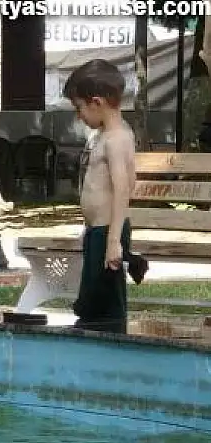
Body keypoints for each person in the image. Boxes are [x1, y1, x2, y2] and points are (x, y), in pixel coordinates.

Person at [62, 59, 149, 334]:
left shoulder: (116, 139)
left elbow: (123, 188)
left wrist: (113, 241)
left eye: (79, 108)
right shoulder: (103, 135)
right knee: (94, 287)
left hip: (108, 231)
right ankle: (91, 333)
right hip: (97, 230)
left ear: (96, 102)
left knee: (104, 294)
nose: (79, 116)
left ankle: (108, 341)